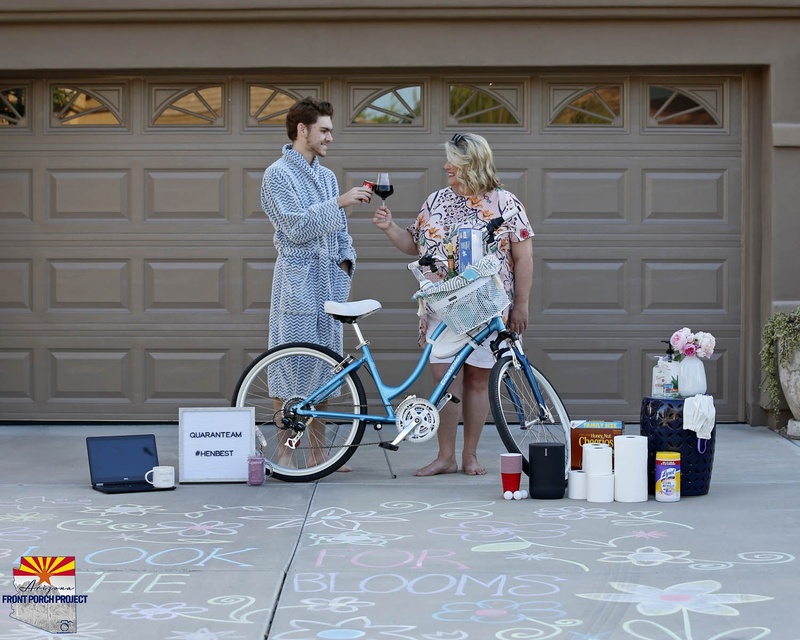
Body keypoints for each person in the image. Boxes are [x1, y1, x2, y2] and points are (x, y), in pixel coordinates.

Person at [373, 132, 534, 476]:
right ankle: (445, 456)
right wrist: (389, 228)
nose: (446, 166)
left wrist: (521, 305)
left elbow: (524, 258)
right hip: (442, 311)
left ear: (472, 164)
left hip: (487, 310)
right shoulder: (435, 201)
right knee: (445, 382)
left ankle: (469, 456)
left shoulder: (506, 204)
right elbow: (413, 244)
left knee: (478, 382)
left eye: (453, 162)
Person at [261, 96, 374, 470]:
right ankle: (285, 453)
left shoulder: (326, 178)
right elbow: (295, 228)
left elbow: (341, 233)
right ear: (302, 130)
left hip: (329, 282)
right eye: (324, 131)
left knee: (327, 367)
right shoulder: (277, 174)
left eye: (330, 131)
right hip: (297, 280)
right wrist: (339, 203)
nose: (330, 138)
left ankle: (318, 454)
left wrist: (344, 265)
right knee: (289, 365)